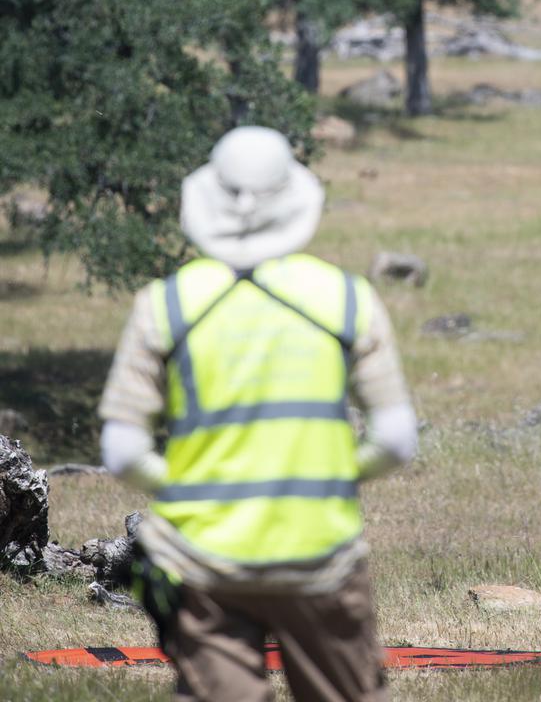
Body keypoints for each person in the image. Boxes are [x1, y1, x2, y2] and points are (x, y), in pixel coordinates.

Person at [99, 125, 417, 702]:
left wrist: (187, 488)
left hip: (202, 561)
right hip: (319, 555)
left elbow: (122, 452)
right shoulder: (347, 299)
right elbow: (396, 439)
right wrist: (334, 476)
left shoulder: (165, 304)